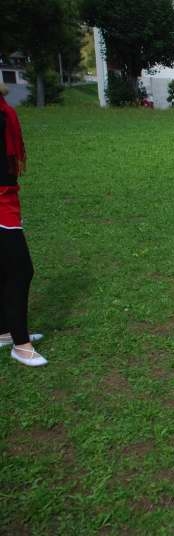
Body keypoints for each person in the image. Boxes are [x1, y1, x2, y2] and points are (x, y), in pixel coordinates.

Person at [0, 82, 46, 366]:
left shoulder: (4, 110)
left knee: (4, 268)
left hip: (6, 197)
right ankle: (21, 344)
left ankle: (5, 331)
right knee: (20, 270)